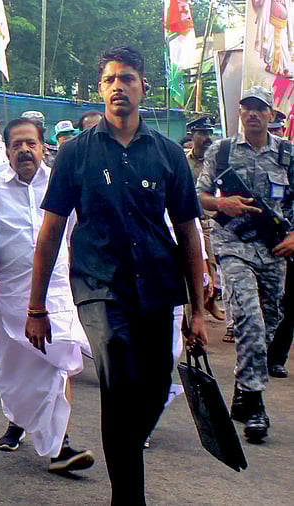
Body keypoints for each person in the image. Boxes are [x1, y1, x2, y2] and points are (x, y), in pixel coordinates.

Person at [26, 46, 207, 505]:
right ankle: (129, 498)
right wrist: (36, 307)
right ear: (101, 89)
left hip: (157, 287)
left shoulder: (168, 155)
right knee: (119, 375)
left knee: (155, 386)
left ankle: (126, 468)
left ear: (144, 87)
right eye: (109, 80)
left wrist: (198, 309)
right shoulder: (75, 154)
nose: (118, 87)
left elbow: (188, 232)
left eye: (127, 78)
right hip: (98, 286)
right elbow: (50, 232)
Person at [0, 118, 95, 474]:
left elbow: (76, 236)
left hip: (56, 293)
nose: (24, 150)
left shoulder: (62, 185)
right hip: (10, 298)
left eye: (30, 143)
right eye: (16, 145)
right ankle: (19, 420)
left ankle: (60, 446)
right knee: (16, 374)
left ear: (43, 147)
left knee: (59, 363)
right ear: (6, 151)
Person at [197, 85, 294, 444]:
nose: (252, 114)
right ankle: (255, 404)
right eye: (247, 108)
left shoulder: (287, 154)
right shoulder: (221, 151)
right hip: (233, 246)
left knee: (269, 323)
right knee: (249, 318)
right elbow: (199, 194)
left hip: (274, 249)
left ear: (271, 115)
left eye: (260, 108)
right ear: (240, 113)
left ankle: (242, 387)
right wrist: (223, 204)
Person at [185, 115, 225, 325]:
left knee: (209, 266)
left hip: (207, 222)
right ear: (191, 135)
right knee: (189, 269)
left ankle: (205, 304)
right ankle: (191, 316)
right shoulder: (182, 161)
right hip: (185, 222)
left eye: (209, 132)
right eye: (202, 133)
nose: (207, 137)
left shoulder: (217, 162)